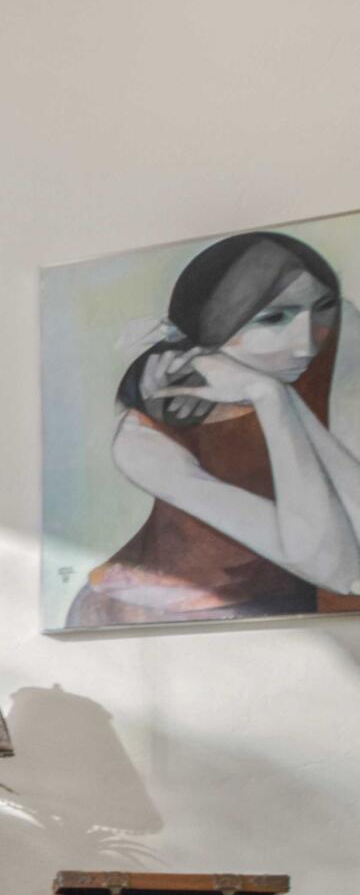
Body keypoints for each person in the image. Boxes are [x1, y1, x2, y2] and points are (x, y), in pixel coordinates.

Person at [67, 230, 360, 628]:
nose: (306, 344)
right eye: (274, 318)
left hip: (284, 614)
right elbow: (338, 570)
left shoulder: (296, 378)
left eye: (323, 308)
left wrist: (278, 400)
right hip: (156, 616)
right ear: (215, 318)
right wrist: (270, 397)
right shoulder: (142, 437)